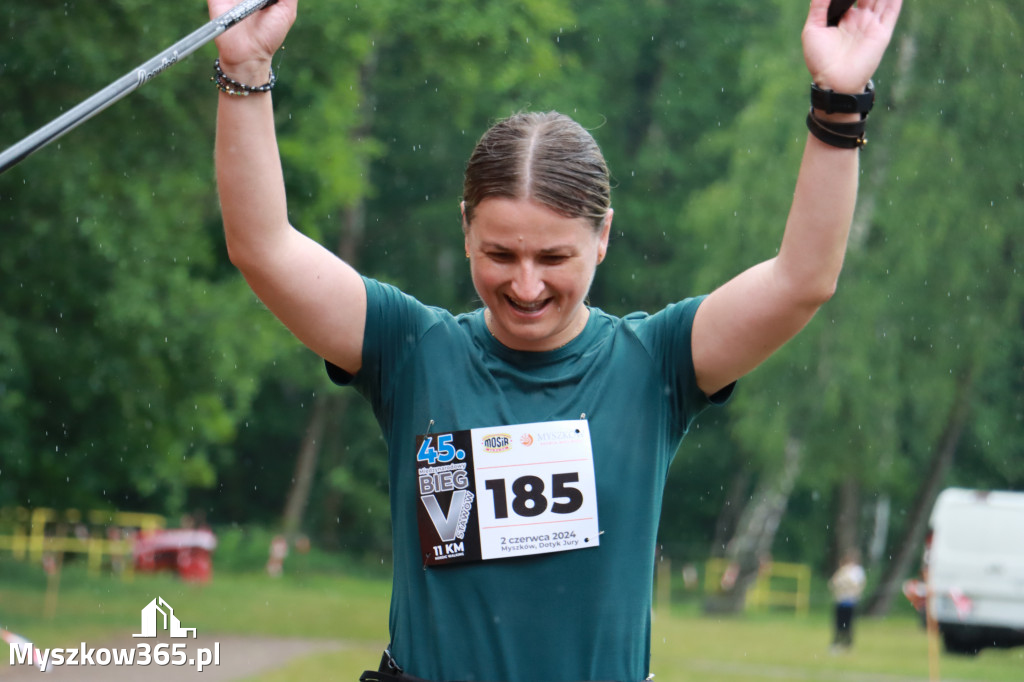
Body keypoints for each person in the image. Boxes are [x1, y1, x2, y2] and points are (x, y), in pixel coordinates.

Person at [207, 0, 902, 679]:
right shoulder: (410, 350)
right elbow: (263, 248)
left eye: (554, 259)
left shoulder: (659, 364)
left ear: (602, 238)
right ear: (465, 230)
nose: (528, 286)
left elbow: (803, 280)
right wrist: (247, 65)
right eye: (501, 255)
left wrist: (839, 102)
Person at [829, 549, 867, 650]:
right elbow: (833, 583)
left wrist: (846, 584)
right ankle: (837, 642)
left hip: (850, 602)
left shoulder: (857, 571)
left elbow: (857, 586)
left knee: (849, 624)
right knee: (838, 624)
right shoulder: (842, 571)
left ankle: (847, 643)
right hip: (840, 601)